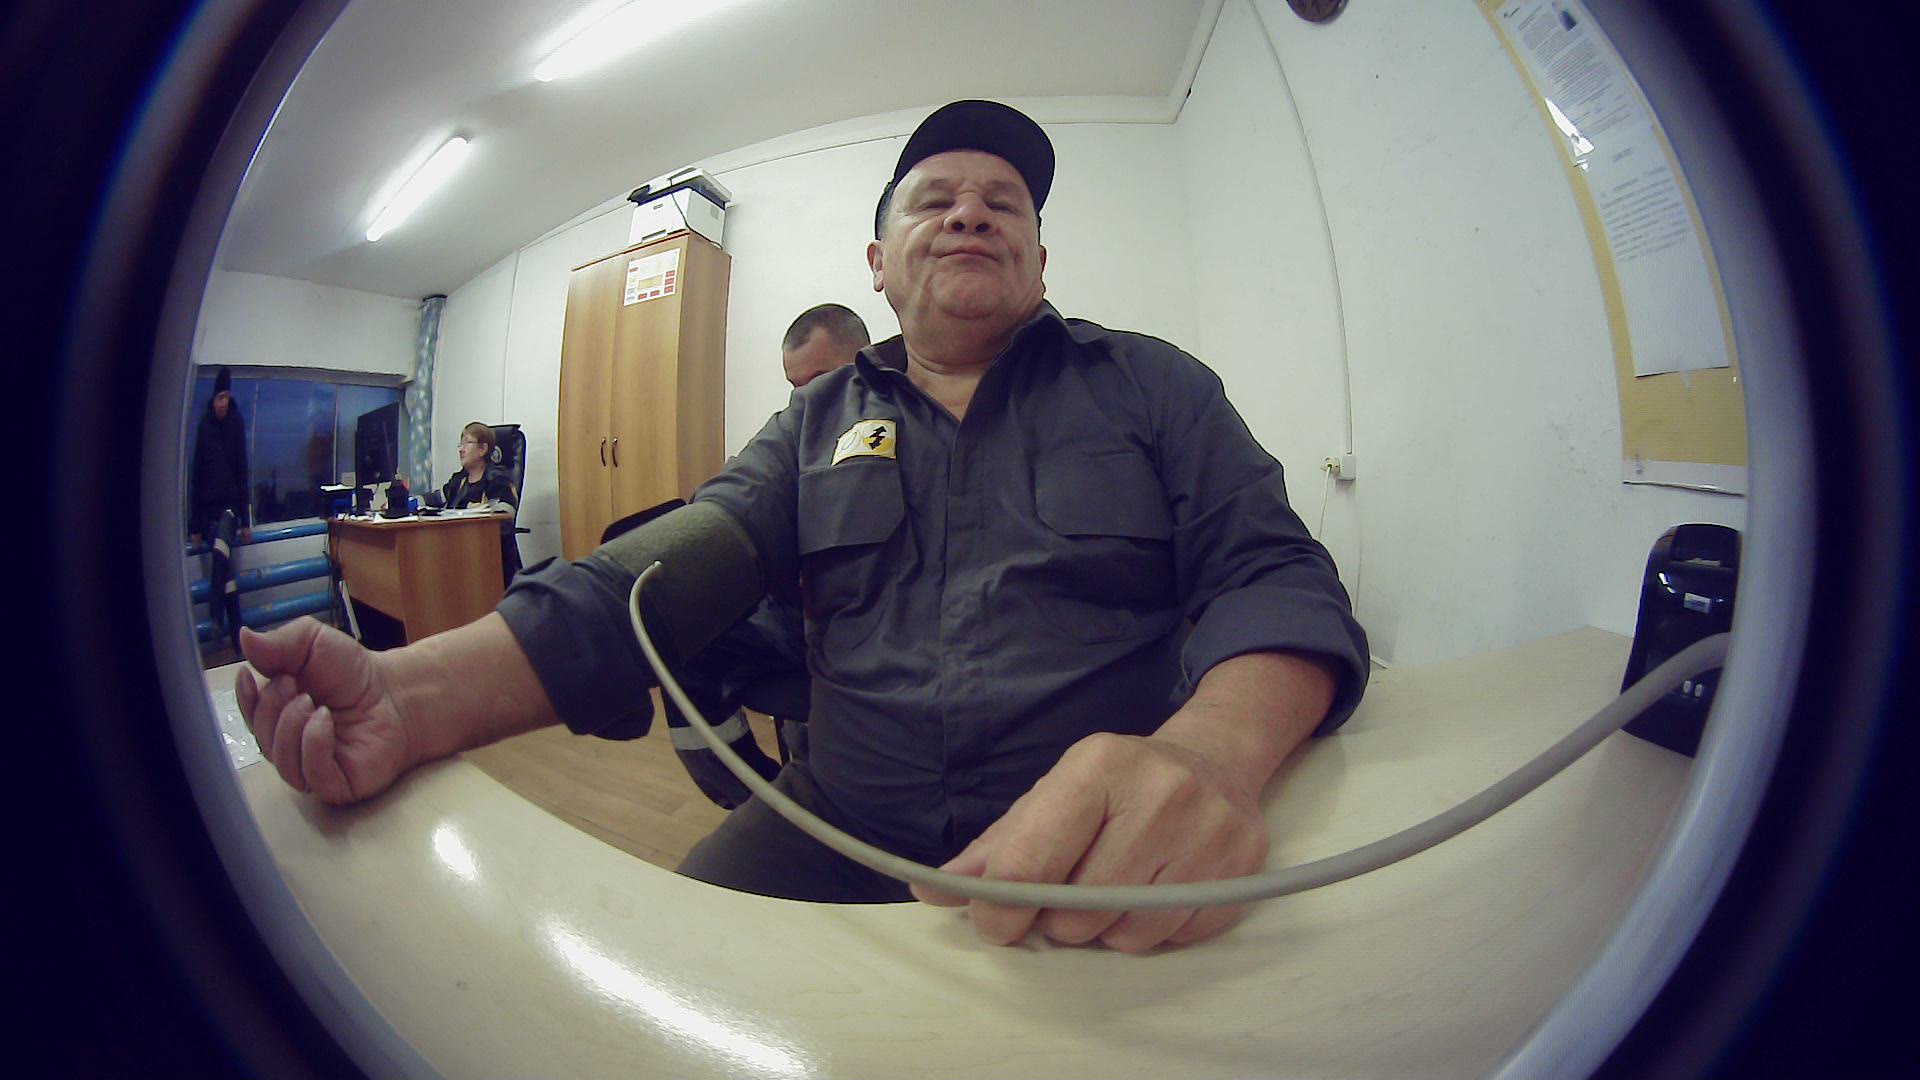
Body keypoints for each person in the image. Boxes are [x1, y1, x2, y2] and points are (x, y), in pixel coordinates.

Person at [237, 100, 1368, 953]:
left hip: (1105, 847)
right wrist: (410, 696)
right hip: (834, 831)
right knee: (677, 980)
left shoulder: (1153, 388)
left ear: (1037, 257)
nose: (972, 209)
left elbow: (1276, 577)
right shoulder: (813, 423)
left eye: (1005, 202)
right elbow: (663, 570)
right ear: (878, 267)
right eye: (933, 198)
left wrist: (1208, 758)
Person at [664, 304, 871, 807]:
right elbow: (739, 490)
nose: (808, 398)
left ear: (865, 360)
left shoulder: (898, 421)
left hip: (868, 618)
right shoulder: (791, 429)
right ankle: (760, 800)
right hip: (791, 610)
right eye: (795, 386)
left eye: (821, 381)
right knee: (681, 645)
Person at [189, 367, 251, 652]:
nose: (223, 402)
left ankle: (215, 614)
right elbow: (196, 478)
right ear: (213, 399)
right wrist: (193, 527)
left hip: (230, 509)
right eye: (219, 397)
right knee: (225, 571)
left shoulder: (236, 424)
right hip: (208, 513)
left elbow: (243, 472)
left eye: (227, 396)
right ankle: (238, 640)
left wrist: (246, 521)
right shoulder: (204, 427)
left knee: (221, 543)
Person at [441, 421, 522, 586]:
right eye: (460, 444)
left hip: (488, 558)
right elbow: (436, 499)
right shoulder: (459, 480)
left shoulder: (498, 481)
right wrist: (405, 501)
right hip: (458, 551)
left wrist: (474, 512)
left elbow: (504, 520)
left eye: (467, 443)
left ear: (482, 449)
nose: (461, 449)